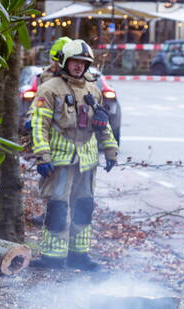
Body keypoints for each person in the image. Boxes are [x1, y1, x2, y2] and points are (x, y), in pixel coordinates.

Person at [30, 39, 119, 271]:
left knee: (84, 207)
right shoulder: (50, 89)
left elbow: (103, 124)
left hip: (87, 161)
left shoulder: (93, 90)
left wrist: (110, 150)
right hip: (60, 160)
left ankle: (79, 256)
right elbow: (40, 124)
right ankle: (52, 257)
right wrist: (43, 155)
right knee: (58, 207)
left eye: (83, 62)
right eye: (74, 62)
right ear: (65, 63)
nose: (79, 66)